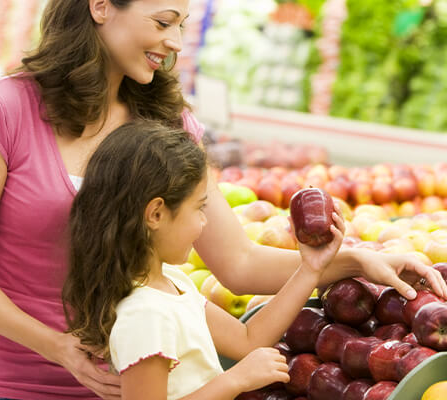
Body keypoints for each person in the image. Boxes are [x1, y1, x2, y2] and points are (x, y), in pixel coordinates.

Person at [0, 0, 446, 399]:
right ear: (100, 7)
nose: (175, 42)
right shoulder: (2, 111)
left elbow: (239, 263)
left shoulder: (168, 125)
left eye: (181, 25)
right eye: (162, 22)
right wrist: (59, 349)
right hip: (11, 389)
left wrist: (355, 260)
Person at [63, 120, 344, 400]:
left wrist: (310, 269)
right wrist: (235, 380)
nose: (204, 221)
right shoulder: (144, 315)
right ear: (156, 214)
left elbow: (248, 340)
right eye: (198, 208)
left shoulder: (173, 282)